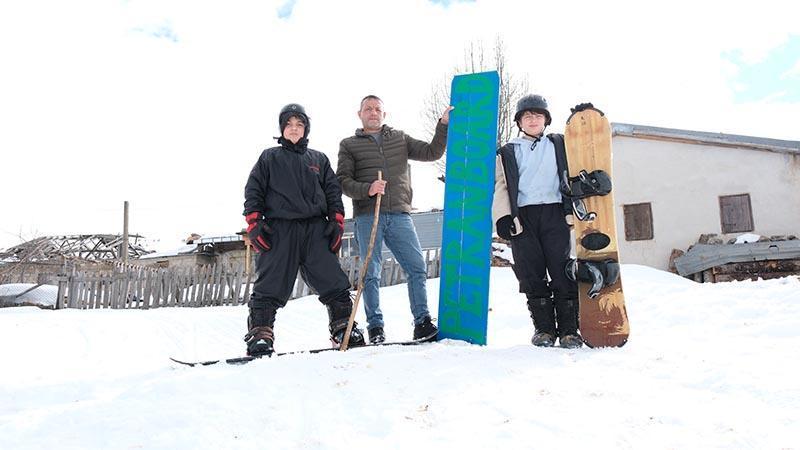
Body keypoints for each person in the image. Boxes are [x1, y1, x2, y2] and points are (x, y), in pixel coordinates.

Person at [242, 103, 366, 356]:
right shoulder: (269, 157)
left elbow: (332, 192)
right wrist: (254, 223)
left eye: (299, 124)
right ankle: (261, 335)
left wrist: (336, 222)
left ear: (306, 129)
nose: (294, 129)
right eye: (289, 124)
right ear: (282, 128)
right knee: (270, 284)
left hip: (315, 229)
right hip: (279, 230)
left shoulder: (318, 159)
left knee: (333, 280)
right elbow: (254, 190)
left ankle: (343, 328)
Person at [337, 95, 452, 344]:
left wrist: (443, 124)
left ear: (384, 114)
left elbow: (432, 152)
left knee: (416, 267)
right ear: (360, 114)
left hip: (400, 214)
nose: (373, 112)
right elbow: (342, 181)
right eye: (368, 109)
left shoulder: (399, 138)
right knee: (371, 273)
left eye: (377, 109)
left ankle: (422, 322)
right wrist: (368, 188)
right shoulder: (349, 145)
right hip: (369, 215)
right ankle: (376, 328)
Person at [492, 94, 583, 349]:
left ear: (546, 120)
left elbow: (585, 145)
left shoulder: (559, 143)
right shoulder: (508, 151)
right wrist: (503, 217)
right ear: (519, 122)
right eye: (527, 116)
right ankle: (544, 330)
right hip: (524, 217)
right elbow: (501, 185)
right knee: (531, 273)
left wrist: (582, 119)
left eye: (538, 115)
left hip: (555, 213)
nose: (533, 120)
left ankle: (569, 331)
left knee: (562, 271)